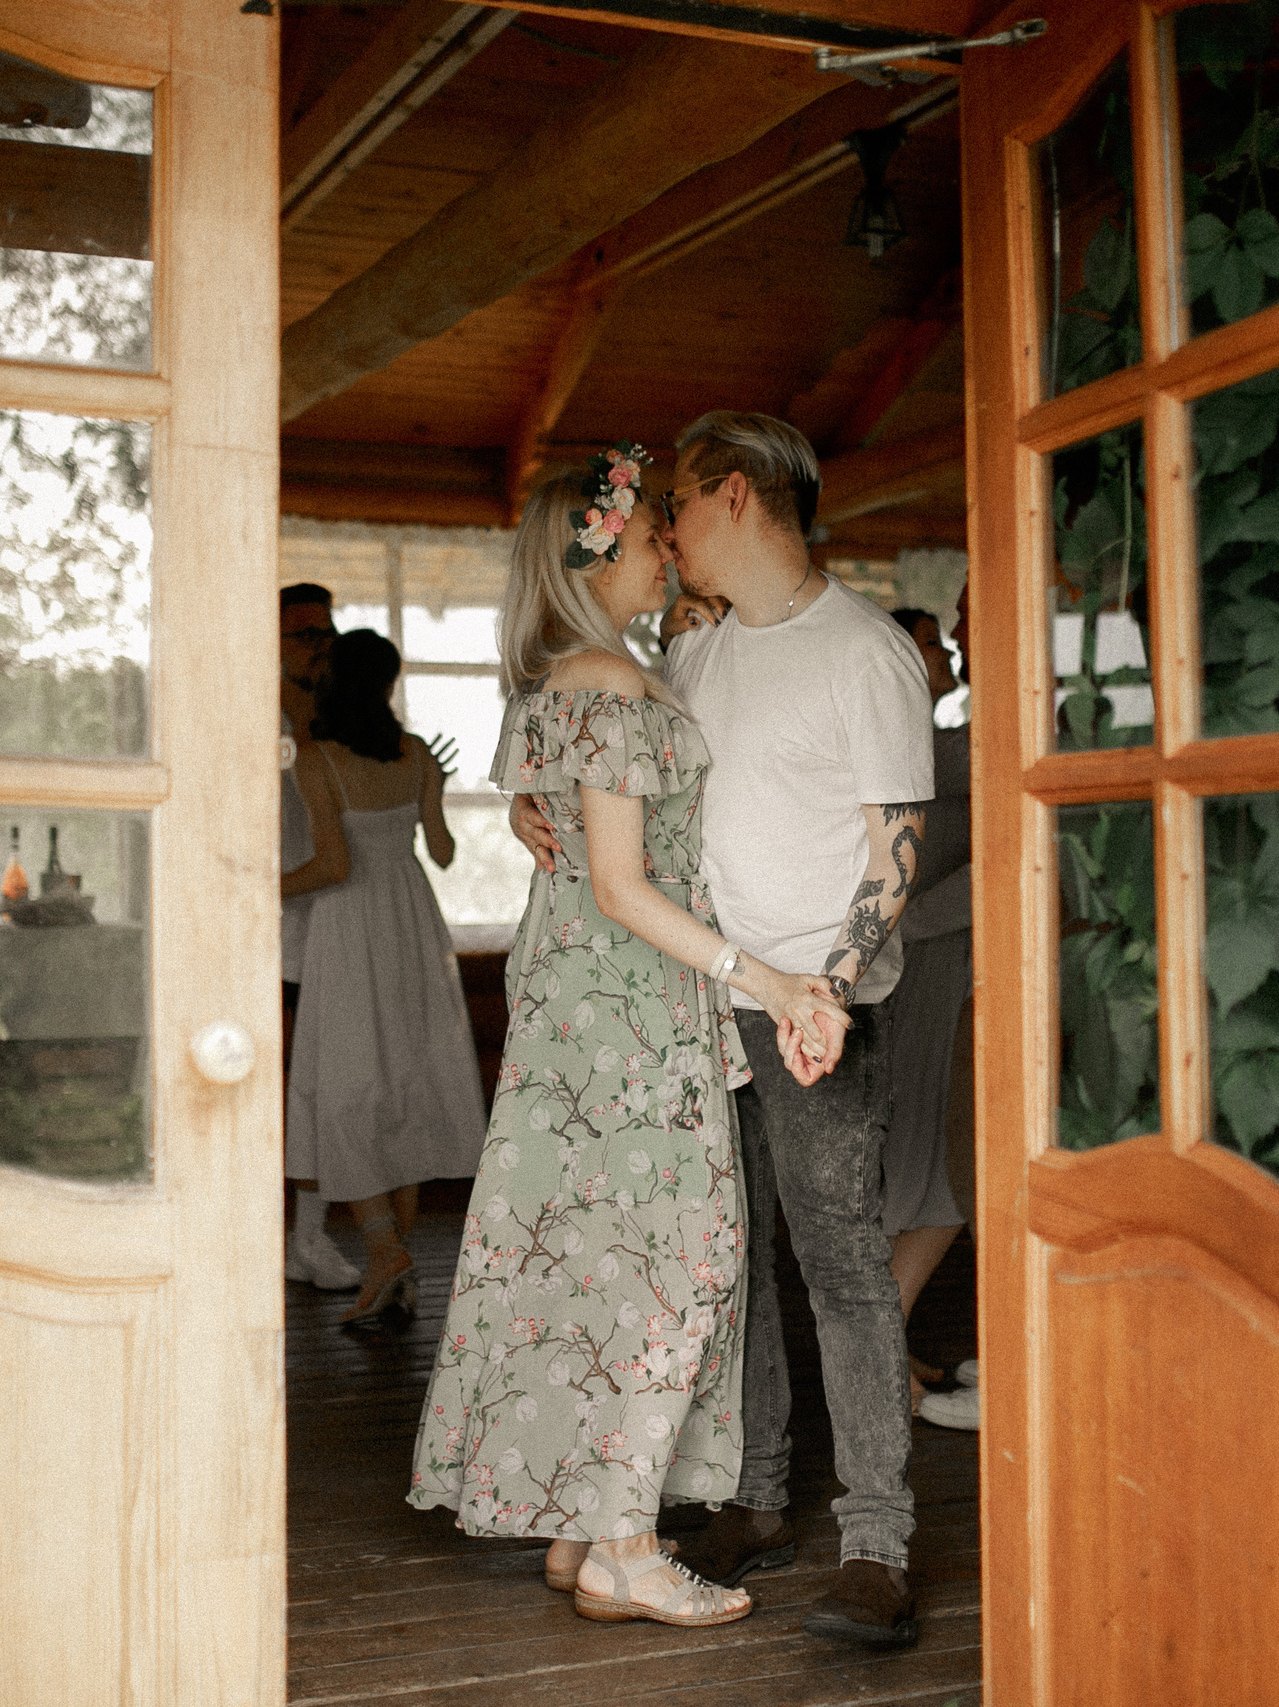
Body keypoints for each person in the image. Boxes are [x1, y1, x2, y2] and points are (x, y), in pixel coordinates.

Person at [408, 445, 851, 1630]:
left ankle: (579, 1528)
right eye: (654, 533)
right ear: (599, 551)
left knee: (597, 1259)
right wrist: (761, 974)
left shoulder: (576, 674)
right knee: (670, 1265)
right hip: (629, 1010)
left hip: (584, 1014)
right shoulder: (609, 684)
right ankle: (625, 1547)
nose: (670, 547)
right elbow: (618, 883)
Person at [514, 412, 934, 1649]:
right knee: (726, 1265)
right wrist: (539, 822)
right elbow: (627, 808)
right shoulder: (691, 658)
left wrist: (829, 991)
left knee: (841, 1267)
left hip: (816, 1010)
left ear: (735, 498)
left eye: (678, 510)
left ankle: (876, 1543)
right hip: (695, 1006)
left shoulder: (864, 654)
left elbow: (893, 855)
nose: (667, 534)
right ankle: (756, 1497)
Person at [284, 628, 487, 1324]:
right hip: (411, 921)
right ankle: (391, 1260)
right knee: (404, 1083)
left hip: (348, 928)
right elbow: (443, 850)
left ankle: (385, 1251)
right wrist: (436, 791)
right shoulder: (419, 752)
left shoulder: (317, 760)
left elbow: (334, 866)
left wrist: (258, 888)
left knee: (348, 1086)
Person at [877, 605, 971, 1417]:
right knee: (934, 1165)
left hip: (934, 961)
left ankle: (885, 1348)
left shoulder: (940, 743)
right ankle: (878, 1359)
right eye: (931, 642)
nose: (946, 650)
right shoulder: (936, 752)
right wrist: (911, 928)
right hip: (927, 967)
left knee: (921, 1156)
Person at [278, 583, 359, 1290]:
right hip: (264, 927)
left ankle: (308, 1237)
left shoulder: (345, 717)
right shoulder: (252, 716)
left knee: (321, 1088)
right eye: (305, 634)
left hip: (332, 924)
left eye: (326, 634)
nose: (320, 647)